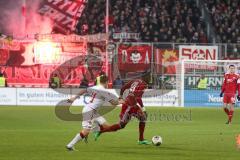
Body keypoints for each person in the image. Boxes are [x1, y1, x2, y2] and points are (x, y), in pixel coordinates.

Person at [66, 75, 124, 151]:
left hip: (93, 111)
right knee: (86, 131)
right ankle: (70, 145)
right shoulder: (104, 91)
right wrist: (122, 101)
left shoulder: (95, 87)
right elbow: (114, 103)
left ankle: (95, 130)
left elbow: (83, 90)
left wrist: (73, 98)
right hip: (90, 112)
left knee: (106, 126)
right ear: (106, 82)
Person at [94, 72, 151, 145]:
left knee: (143, 118)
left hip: (132, 104)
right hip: (129, 106)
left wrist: (120, 96)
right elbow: (138, 97)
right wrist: (143, 109)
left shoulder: (135, 81)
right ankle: (100, 130)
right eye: (149, 78)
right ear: (146, 78)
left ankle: (141, 139)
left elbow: (123, 87)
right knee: (121, 125)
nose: (150, 80)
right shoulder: (144, 84)